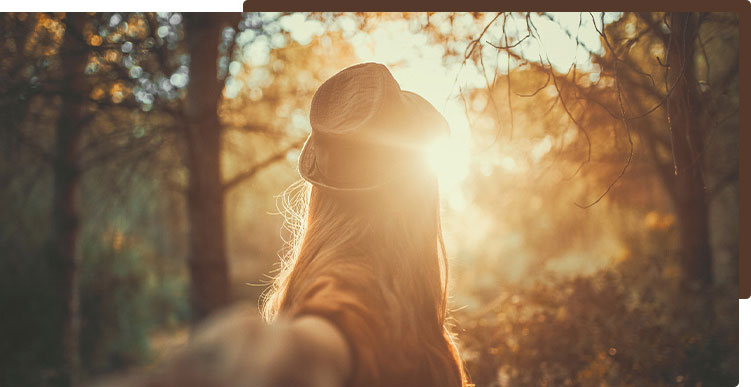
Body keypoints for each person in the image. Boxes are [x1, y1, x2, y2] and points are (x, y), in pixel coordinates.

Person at [96, 62, 468, 387]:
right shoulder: (358, 292)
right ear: (419, 200)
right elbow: (304, 351)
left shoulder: (385, 299)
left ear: (322, 194)